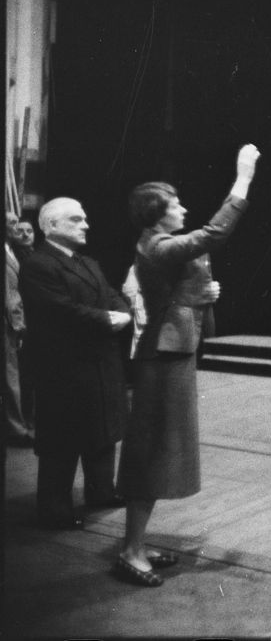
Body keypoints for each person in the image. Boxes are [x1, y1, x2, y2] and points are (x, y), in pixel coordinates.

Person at [116, 143, 260, 586]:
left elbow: (184, 280)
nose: (184, 209)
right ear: (158, 214)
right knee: (151, 452)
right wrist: (243, 179)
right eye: (176, 205)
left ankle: (135, 543)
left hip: (171, 355)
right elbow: (212, 236)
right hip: (163, 359)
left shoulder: (158, 244)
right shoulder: (158, 245)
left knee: (158, 451)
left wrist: (200, 294)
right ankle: (130, 550)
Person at [19, 198, 131, 530]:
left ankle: (101, 491)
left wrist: (121, 311)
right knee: (61, 442)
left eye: (84, 218)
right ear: (50, 226)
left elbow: (111, 293)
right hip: (64, 368)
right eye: (76, 219)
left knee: (103, 430)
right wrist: (107, 319)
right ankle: (54, 510)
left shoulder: (88, 263)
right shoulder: (39, 264)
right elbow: (58, 310)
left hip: (98, 362)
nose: (86, 225)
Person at [5, 213, 33, 447]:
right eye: (12, 223)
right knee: (10, 375)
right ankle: (16, 430)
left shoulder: (10, 250)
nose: (17, 227)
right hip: (8, 324)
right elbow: (10, 296)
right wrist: (19, 326)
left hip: (12, 321)